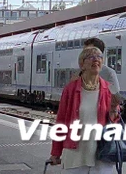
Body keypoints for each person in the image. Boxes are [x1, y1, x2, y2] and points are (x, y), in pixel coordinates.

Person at [49, 45, 118, 173]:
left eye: (99, 57)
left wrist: (114, 111)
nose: (96, 60)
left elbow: (114, 124)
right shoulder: (70, 89)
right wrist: (56, 152)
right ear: (82, 64)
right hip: (75, 153)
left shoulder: (109, 89)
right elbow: (61, 122)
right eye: (90, 57)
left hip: (101, 153)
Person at [83, 38, 120, 112]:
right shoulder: (79, 73)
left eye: (88, 52)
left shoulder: (109, 73)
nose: (84, 55)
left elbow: (115, 101)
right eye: (84, 52)